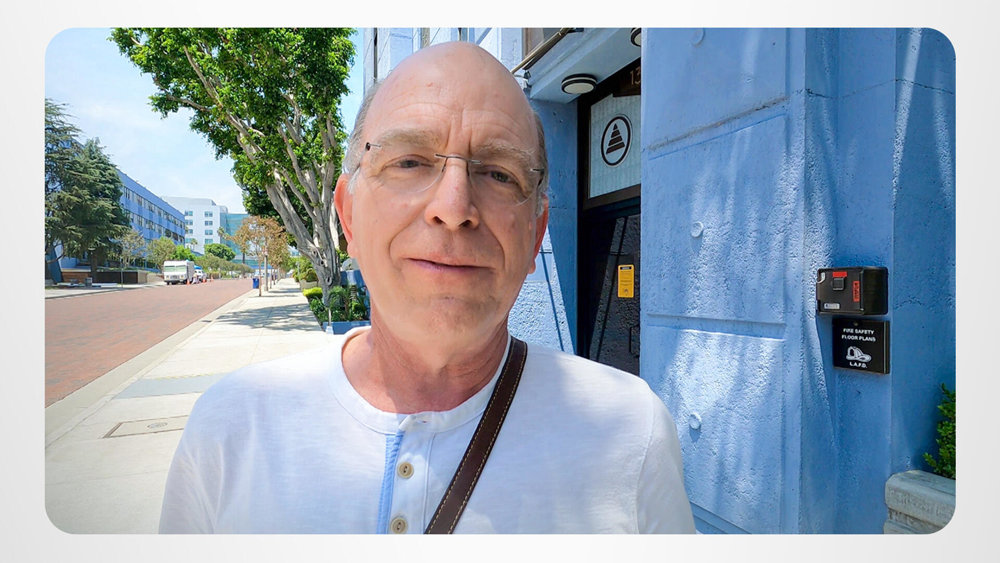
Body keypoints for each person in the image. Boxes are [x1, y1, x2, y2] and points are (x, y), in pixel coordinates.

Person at [159, 41, 695, 534]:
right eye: (410, 162)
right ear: (348, 216)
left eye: (499, 173)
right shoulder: (231, 431)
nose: (454, 207)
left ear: (535, 235)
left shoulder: (631, 435)